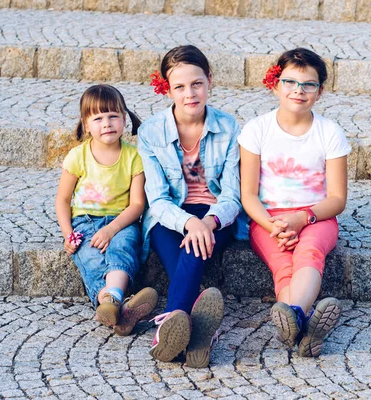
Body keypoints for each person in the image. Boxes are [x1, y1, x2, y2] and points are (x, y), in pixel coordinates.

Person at [239, 48, 351, 357]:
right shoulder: (257, 130)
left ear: (320, 91)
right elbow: (248, 194)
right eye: (290, 82)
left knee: (309, 253)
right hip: (268, 219)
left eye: (308, 85)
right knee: (283, 267)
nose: (298, 91)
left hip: (317, 218)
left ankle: (294, 317)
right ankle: (304, 329)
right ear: (275, 85)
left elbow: (338, 199)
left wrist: (303, 218)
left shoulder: (329, 133)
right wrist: (272, 224)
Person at [138, 45, 242, 368]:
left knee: (196, 248)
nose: (189, 94)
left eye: (197, 83)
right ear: (167, 89)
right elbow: (157, 199)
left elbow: (232, 196)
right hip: (169, 217)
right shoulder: (151, 132)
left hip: (215, 218)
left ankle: (169, 330)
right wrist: (188, 223)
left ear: (209, 80)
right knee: (187, 244)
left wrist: (208, 222)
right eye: (179, 87)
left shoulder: (228, 128)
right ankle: (198, 336)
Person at [55, 84, 158, 336]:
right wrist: (68, 234)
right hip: (83, 222)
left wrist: (112, 229)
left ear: (124, 119)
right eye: (98, 118)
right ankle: (116, 305)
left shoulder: (135, 157)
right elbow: (62, 199)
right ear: (86, 124)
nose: (107, 123)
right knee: (90, 258)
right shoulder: (77, 157)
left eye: (113, 116)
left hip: (122, 222)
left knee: (122, 249)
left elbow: (137, 204)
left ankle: (110, 301)